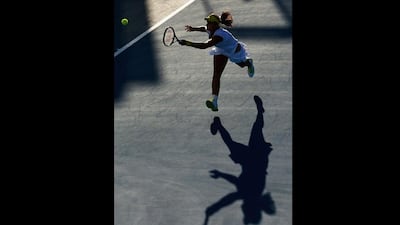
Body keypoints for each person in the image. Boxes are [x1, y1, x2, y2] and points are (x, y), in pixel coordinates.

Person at [203, 95, 275, 225]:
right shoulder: (251, 193)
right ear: (250, 208)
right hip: (257, 157)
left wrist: (220, 175)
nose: (243, 210)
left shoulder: (249, 195)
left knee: (234, 142)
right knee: (256, 129)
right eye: (246, 212)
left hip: (248, 160)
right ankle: (260, 111)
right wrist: (212, 210)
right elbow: (230, 195)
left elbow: (231, 193)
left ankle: (219, 126)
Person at [179, 12, 255, 112]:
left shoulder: (219, 36)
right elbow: (204, 28)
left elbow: (204, 45)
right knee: (216, 74)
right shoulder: (211, 28)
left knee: (242, 64)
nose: (207, 24)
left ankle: (249, 63)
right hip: (222, 50)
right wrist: (193, 28)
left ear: (215, 25)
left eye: (209, 22)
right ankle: (214, 100)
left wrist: (187, 43)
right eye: (207, 22)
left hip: (234, 50)